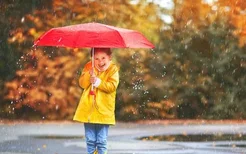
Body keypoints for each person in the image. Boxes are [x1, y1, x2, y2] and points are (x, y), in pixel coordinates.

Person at [73, 48, 119, 154]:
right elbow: (82, 84)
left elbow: (112, 86)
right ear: (92, 58)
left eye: (103, 58)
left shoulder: (113, 69)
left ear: (109, 58)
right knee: (90, 140)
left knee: (101, 141)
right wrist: (89, 74)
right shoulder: (89, 66)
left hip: (103, 110)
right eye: (96, 59)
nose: (100, 62)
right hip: (89, 110)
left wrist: (98, 82)